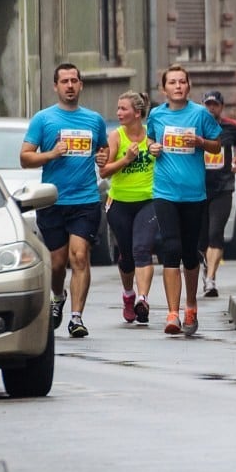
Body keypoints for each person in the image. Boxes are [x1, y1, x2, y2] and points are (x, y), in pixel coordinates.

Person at [20, 63, 109, 338]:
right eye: (64, 81)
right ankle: (58, 297)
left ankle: (77, 318)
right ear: (55, 86)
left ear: (81, 85)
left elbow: (103, 148)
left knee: (79, 257)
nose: (70, 86)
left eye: (74, 81)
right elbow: (25, 158)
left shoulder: (94, 120)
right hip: (52, 200)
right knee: (58, 263)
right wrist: (51, 154)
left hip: (85, 200)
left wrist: (102, 157)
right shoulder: (43, 120)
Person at [146, 64, 222, 336]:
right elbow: (150, 143)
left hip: (193, 194)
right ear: (163, 88)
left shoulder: (200, 114)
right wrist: (152, 148)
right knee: (171, 248)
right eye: (172, 82)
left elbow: (217, 144)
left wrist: (200, 141)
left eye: (182, 82)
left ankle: (191, 305)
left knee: (190, 253)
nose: (177, 86)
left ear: (188, 86)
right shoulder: (156, 115)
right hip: (164, 191)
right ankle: (172, 313)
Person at [99, 91, 157, 325]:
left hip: (148, 200)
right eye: (118, 108)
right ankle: (128, 295)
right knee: (126, 256)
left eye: (123, 109)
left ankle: (142, 300)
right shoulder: (116, 136)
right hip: (119, 203)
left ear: (137, 113)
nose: (118, 113)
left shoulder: (151, 137)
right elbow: (104, 171)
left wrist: (158, 151)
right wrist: (126, 159)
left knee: (142, 249)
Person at [198, 90, 236, 297]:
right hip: (198, 189)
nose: (211, 108)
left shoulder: (230, 127)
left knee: (216, 233)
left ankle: (211, 279)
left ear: (221, 107)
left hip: (223, 187)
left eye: (214, 105)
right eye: (207, 104)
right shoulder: (196, 126)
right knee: (200, 239)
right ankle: (205, 267)